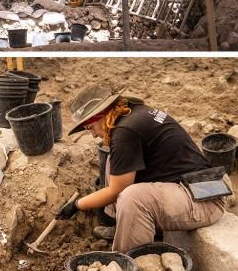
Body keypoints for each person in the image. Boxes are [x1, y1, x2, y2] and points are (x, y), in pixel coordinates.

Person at [54, 84, 227, 252]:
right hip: (193, 185)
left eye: (90, 127)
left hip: (204, 199)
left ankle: (129, 265)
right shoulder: (133, 113)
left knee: (133, 198)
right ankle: (124, 225)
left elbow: (116, 191)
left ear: (101, 114)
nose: (92, 134)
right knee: (114, 162)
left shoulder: (125, 131)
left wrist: (76, 205)